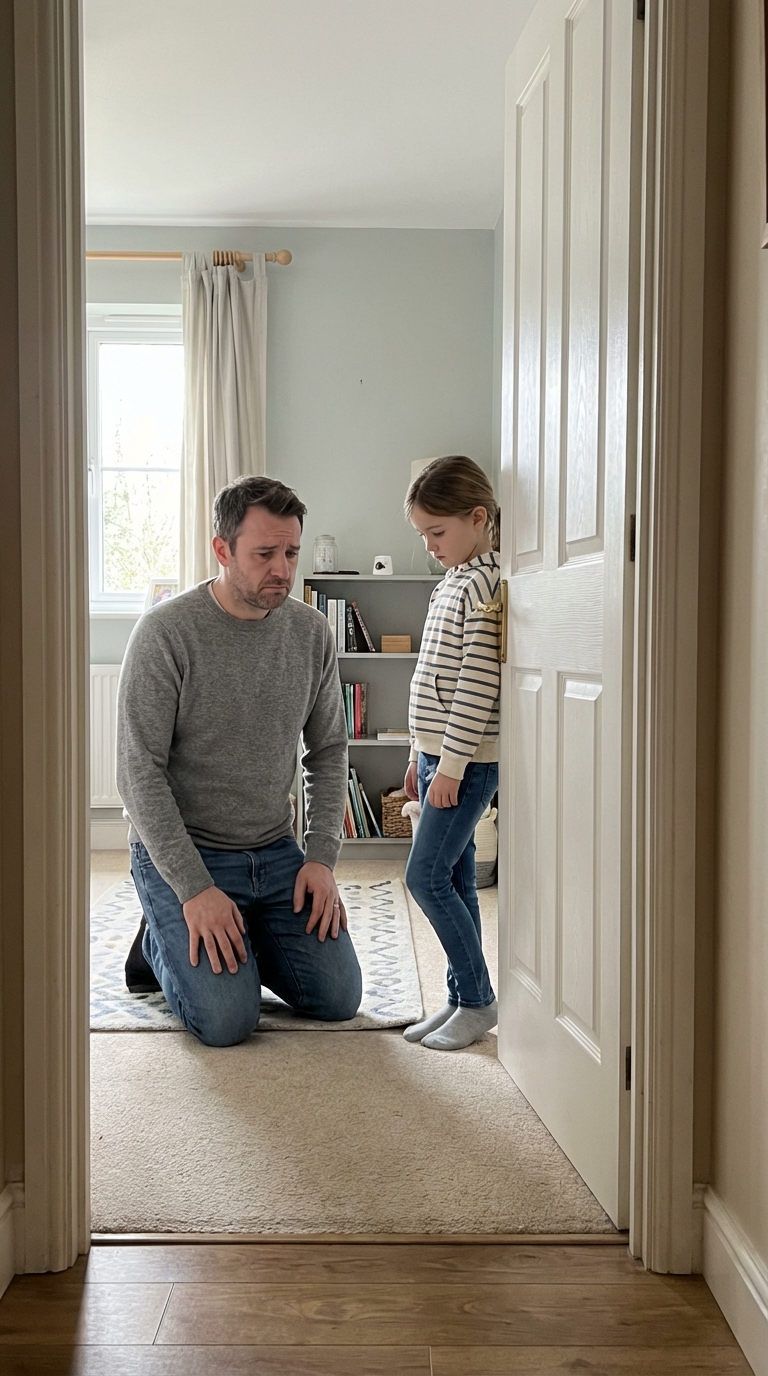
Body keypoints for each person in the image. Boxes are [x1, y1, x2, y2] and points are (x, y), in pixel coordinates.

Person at [116, 475, 362, 1047]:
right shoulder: (165, 633)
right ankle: (158, 938)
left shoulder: (311, 632)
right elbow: (137, 773)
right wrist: (193, 889)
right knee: (228, 1021)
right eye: (264, 553)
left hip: (274, 849)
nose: (282, 569)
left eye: (291, 553)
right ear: (222, 550)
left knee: (338, 997)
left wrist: (321, 859)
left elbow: (328, 750)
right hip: (189, 851)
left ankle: (240, 932)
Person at [402, 456, 500, 1050]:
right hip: (440, 756)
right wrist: (421, 755)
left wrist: (453, 767)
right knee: (456, 878)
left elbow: (476, 685)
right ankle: (463, 996)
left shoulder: (485, 584)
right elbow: (430, 677)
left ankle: (479, 999)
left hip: (467, 761)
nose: (430, 546)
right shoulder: (454, 582)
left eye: (437, 532)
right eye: (423, 535)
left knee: (425, 876)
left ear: (478, 518)